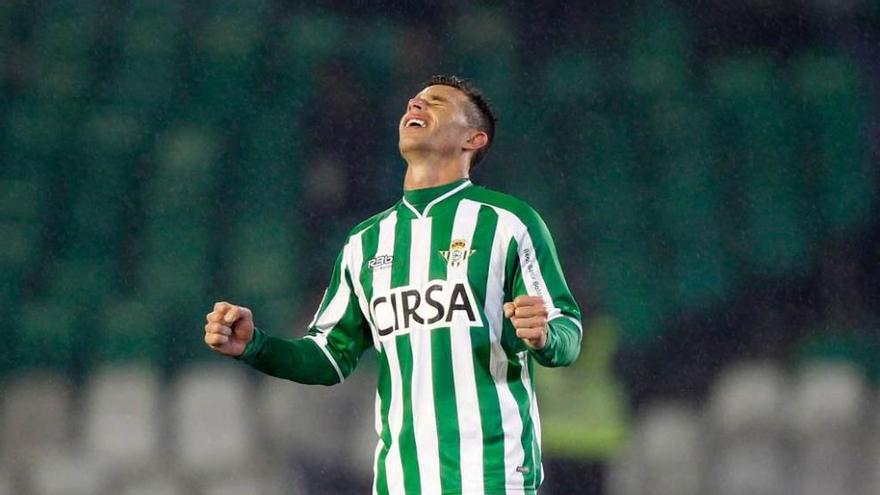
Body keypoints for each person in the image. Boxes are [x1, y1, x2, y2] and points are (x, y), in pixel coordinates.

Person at [204, 75, 582, 495]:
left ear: (473, 139)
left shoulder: (508, 222)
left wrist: (546, 336)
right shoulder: (364, 243)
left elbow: (568, 328)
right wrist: (256, 345)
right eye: (414, 100)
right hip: (400, 482)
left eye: (436, 102)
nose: (416, 105)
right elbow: (329, 357)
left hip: (493, 478)